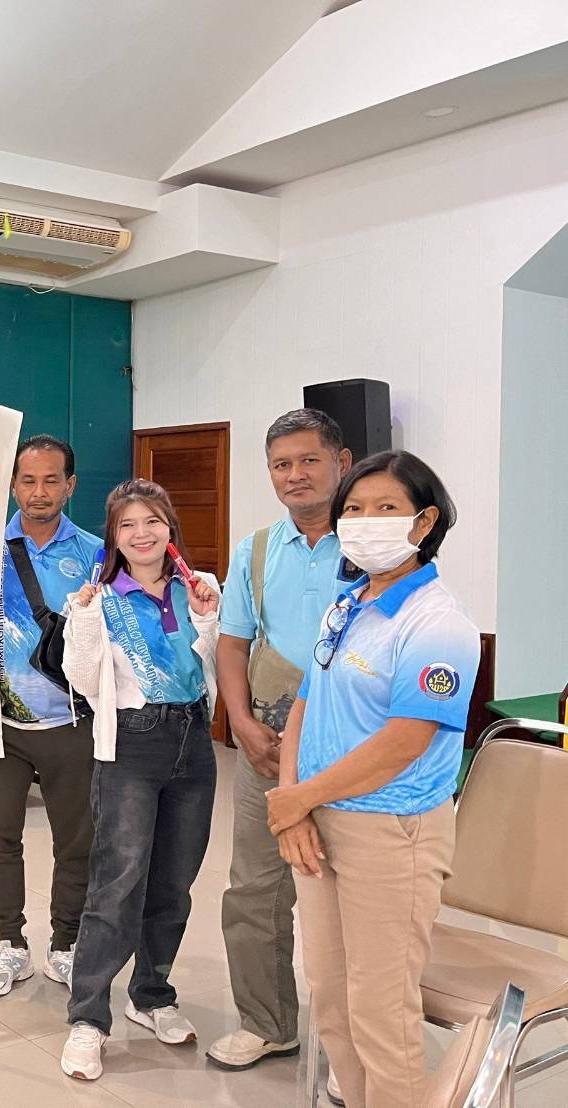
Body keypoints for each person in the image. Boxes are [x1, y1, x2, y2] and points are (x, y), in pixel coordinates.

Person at [266, 451, 478, 1108]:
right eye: (352, 509)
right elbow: (306, 699)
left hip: (391, 832)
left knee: (381, 1015)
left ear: (424, 522)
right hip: (319, 820)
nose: (363, 522)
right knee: (332, 1003)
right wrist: (294, 805)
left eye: (385, 508)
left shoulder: (436, 622)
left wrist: (298, 797)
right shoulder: (349, 600)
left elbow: (403, 743)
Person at [58, 479, 221, 1082]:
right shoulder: (100, 599)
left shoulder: (201, 589)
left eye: (153, 520)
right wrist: (78, 618)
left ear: (169, 527)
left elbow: (209, 663)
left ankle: (151, 994)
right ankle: (88, 1018)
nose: (143, 533)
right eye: (128, 525)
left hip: (193, 742)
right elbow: (82, 676)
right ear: (114, 537)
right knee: (117, 881)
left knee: (175, 881)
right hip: (130, 742)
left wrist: (208, 618)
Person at [208, 410, 353, 1081]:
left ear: (340, 462)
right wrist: (238, 720)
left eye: (307, 460)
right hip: (267, 739)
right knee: (255, 888)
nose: (293, 476)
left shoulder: (374, 544)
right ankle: (266, 1025)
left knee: (350, 893)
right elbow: (234, 643)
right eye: (280, 465)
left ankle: (350, 1044)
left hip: (353, 743)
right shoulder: (257, 549)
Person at [0, 435, 101, 998]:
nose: (39, 492)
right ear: (12, 484)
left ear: (70, 485)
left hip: (73, 723)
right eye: (28, 480)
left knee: (78, 842)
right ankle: (10, 944)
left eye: (52, 480)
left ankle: (66, 944)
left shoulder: (97, 552)